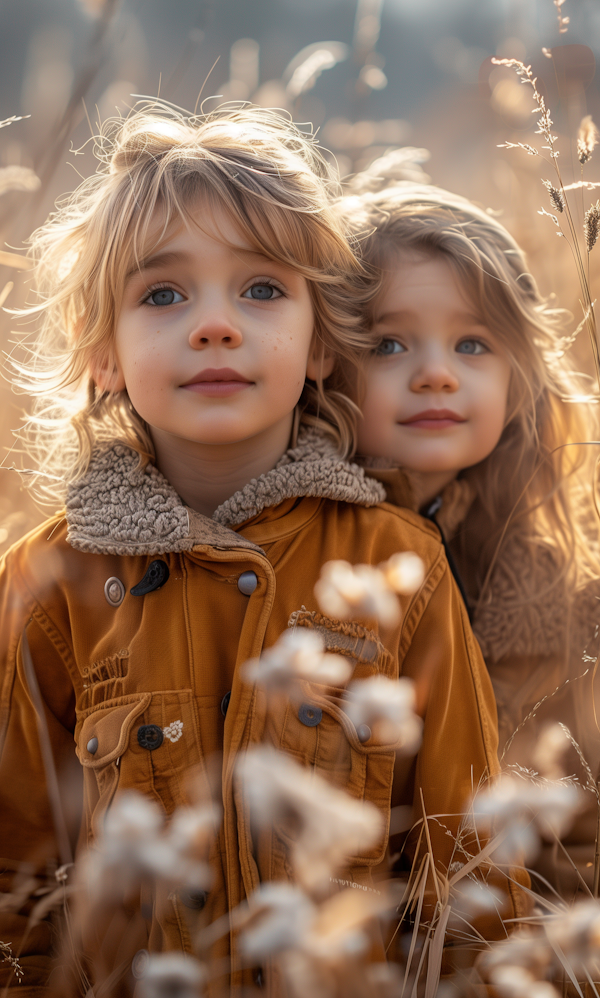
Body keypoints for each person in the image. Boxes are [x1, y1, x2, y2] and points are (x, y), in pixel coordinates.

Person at [0, 107, 524, 997]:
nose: (214, 325)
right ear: (103, 353)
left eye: (261, 289)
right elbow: (17, 887)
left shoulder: (396, 564)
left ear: (323, 343)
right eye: (162, 295)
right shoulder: (52, 578)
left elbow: (469, 869)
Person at [340, 174, 600, 893]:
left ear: (520, 378)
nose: (436, 375)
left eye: (473, 344)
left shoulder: (549, 577)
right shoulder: (305, 549)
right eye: (388, 342)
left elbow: (579, 824)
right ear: (323, 358)